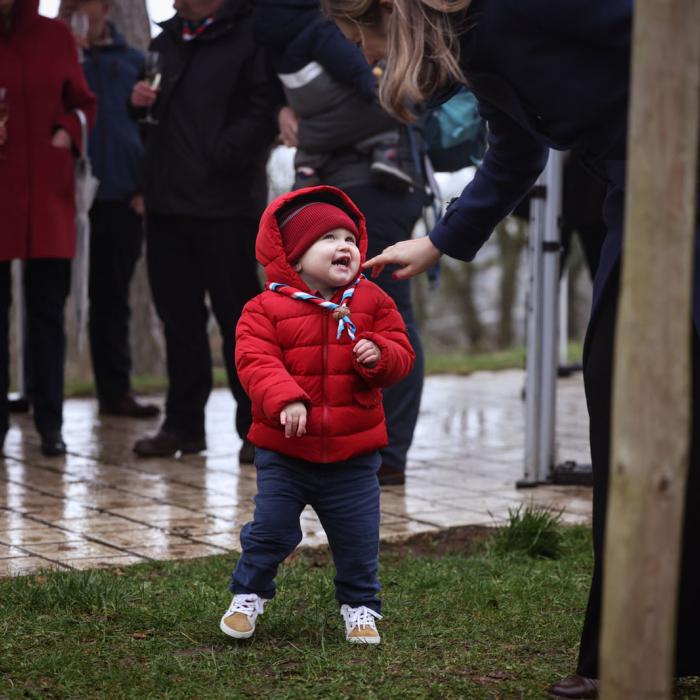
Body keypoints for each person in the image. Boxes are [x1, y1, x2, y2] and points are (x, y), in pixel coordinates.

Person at [321, 0, 700, 697]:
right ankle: (630, 642)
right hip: (635, 188)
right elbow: (518, 150)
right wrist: (440, 239)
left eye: (362, 35)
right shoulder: (469, 49)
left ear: (393, 15)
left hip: (681, 165)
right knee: (623, 400)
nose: (366, 55)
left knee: (656, 396)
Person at [219, 185, 414, 643]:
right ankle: (248, 595)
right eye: (327, 238)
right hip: (286, 452)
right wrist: (285, 397)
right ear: (294, 255)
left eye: (349, 237)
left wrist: (380, 354)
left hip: (353, 455)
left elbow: (403, 353)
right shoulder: (264, 308)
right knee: (270, 531)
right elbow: (255, 360)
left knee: (358, 540)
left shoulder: (371, 302)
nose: (343, 245)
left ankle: (360, 606)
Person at [261, 1, 426, 486]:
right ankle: (352, 445)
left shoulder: (361, 25)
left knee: (385, 313)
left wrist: (312, 128)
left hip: (382, 189)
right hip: (334, 189)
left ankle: (389, 453)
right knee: (325, 318)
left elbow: (394, 106)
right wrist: (283, 109)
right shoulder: (297, 34)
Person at [129, 0, 277, 462]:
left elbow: (264, 109)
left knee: (241, 321)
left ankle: (256, 427)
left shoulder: (251, 36)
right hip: (167, 202)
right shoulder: (166, 39)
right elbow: (149, 120)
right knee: (178, 321)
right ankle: (183, 426)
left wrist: (220, 156)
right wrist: (134, 104)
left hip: (226, 205)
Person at [0, 0, 96, 456]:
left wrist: (65, 132)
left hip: (48, 199)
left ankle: (51, 424)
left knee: (46, 315)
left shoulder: (55, 37)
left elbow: (82, 103)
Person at [59, 0, 159, 419]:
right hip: (59, 198)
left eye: (82, 4)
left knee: (112, 299)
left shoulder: (134, 61)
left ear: (105, 8)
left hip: (119, 197)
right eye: (67, 5)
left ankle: (115, 392)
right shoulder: (58, 57)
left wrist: (143, 187)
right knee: (45, 299)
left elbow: (152, 127)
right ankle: (36, 392)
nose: (74, 11)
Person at [255, 0, 411, 191]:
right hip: (329, 94)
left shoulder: (265, 38)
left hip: (299, 97)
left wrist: (279, 107)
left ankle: (306, 168)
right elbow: (347, 60)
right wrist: (370, 87)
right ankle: (386, 151)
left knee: (307, 140)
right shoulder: (316, 25)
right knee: (385, 105)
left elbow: (267, 81)